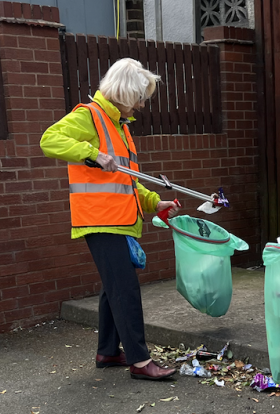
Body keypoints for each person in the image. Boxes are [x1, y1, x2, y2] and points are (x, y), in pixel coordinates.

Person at [40, 58, 179, 381]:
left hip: (118, 219)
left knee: (114, 287)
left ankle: (107, 351)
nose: (143, 105)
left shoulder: (118, 127)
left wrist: (155, 201)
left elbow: (128, 181)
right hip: (100, 220)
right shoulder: (89, 117)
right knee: (125, 291)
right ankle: (140, 361)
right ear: (126, 93)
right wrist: (92, 154)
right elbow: (49, 140)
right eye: (141, 97)